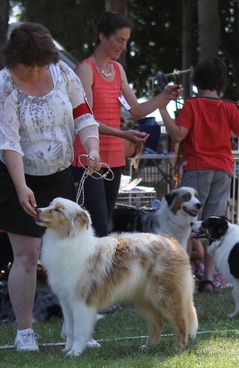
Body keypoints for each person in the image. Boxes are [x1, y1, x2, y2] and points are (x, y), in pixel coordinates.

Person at [0, 22, 100, 352]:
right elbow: (8, 142)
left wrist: (92, 148)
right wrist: (21, 188)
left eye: (39, 64)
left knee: (72, 255)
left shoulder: (63, 73)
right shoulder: (1, 87)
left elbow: (84, 115)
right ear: (11, 59)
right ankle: (25, 332)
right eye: (26, 65)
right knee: (28, 255)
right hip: (17, 176)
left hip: (59, 176)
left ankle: (74, 327)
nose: (33, 71)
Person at [71, 11, 182, 236]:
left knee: (106, 222)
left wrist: (164, 96)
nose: (123, 47)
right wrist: (124, 135)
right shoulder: (85, 69)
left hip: (114, 157)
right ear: (102, 36)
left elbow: (137, 110)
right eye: (119, 40)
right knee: (99, 224)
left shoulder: (118, 69)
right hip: (89, 156)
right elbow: (85, 119)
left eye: (126, 41)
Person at [158, 57, 239, 293]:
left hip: (197, 167)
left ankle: (184, 276)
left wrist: (162, 109)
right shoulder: (229, 107)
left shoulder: (192, 105)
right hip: (223, 168)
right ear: (221, 81)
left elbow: (178, 135)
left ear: (197, 79)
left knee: (186, 224)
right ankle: (208, 279)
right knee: (214, 225)